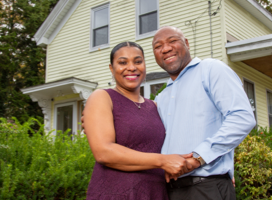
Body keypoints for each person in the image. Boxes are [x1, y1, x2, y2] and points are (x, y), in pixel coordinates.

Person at [151, 26, 256, 200]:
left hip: (206, 188)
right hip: (170, 191)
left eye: (172, 41)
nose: (165, 48)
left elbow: (242, 117)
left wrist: (198, 158)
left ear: (187, 43)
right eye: (158, 46)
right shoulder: (162, 97)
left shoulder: (211, 70)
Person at [83, 41, 195, 200]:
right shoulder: (102, 97)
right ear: (111, 68)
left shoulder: (156, 106)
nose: (131, 67)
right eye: (122, 62)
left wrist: (219, 171)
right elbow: (103, 152)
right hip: (115, 193)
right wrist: (162, 161)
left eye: (138, 61)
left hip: (155, 193)